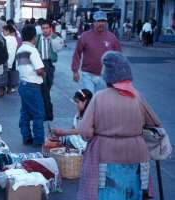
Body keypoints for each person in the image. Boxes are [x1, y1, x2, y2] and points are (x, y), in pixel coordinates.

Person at [76, 51, 161, 200]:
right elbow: (155, 122)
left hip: (106, 154)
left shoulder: (99, 97)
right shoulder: (137, 95)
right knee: (133, 193)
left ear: (107, 76)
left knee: (109, 193)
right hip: (137, 154)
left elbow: (85, 132)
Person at [71, 10, 121, 94]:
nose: (101, 24)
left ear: (106, 23)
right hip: (87, 75)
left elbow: (119, 57)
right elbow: (77, 53)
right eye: (98, 21)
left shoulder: (112, 38)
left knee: (101, 103)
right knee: (90, 100)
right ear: (93, 22)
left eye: (103, 21)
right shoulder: (85, 36)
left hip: (104, 77)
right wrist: (75, 71)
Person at [16, 25, 45, 146]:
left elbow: (18, 68)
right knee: (38, 113)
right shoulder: (32, 50)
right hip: (32, 85)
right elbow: (39, 69)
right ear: (34, 37)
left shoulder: (20, 49)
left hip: (22, 84)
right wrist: (44, 73)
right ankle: (38, 140)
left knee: (25, 112)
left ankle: (26, 137)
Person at [36, 19, 64, 121]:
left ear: (50, 29)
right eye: (43, 28)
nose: (45, 30)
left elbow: (60, 47)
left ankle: (47, 113)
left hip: (49, 64)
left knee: (46, 90)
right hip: (40, 64)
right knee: (43, 90)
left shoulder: (54, 37)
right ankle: (47, 114)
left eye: (47, 28)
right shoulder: (38, 38)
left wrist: (52, 37)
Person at [3, 25, 18, 93]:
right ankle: (9, 88)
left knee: (8, 74)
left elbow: (10, 51)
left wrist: (9, 63)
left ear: (8, 31)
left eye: (4, 31)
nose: (3, 33)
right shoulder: (13, 38)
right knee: (9, 74)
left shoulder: (8, 39)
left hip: (8, 59)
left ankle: (8, 88)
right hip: (11, 58)